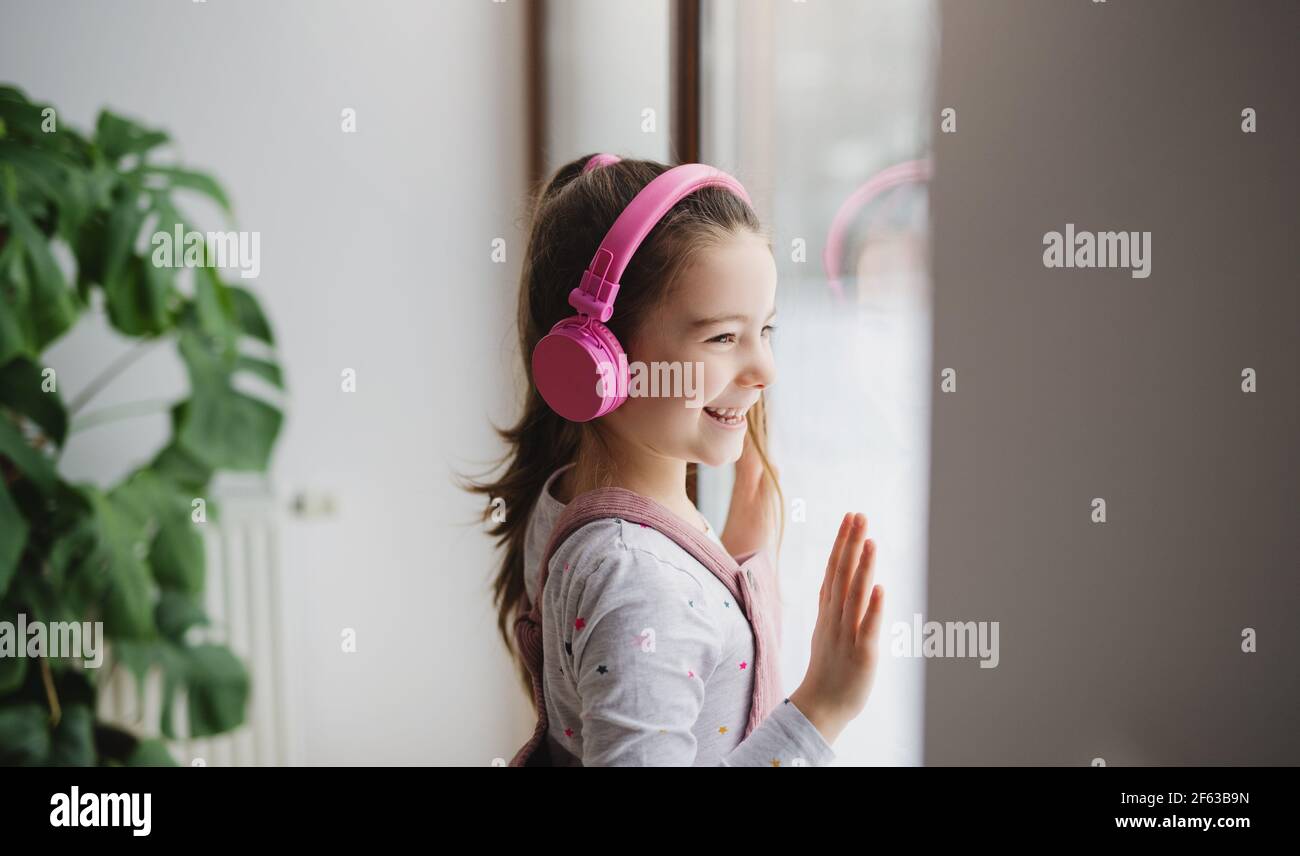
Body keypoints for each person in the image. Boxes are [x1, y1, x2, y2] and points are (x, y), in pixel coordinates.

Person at [464, 154, 885, 766]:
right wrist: (823, 707)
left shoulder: (566, 495)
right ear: (596, 362)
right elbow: (653, 604)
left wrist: (733, 562)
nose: (765, 368)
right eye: (721, 337)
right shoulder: (638, 580)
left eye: (766, 329)